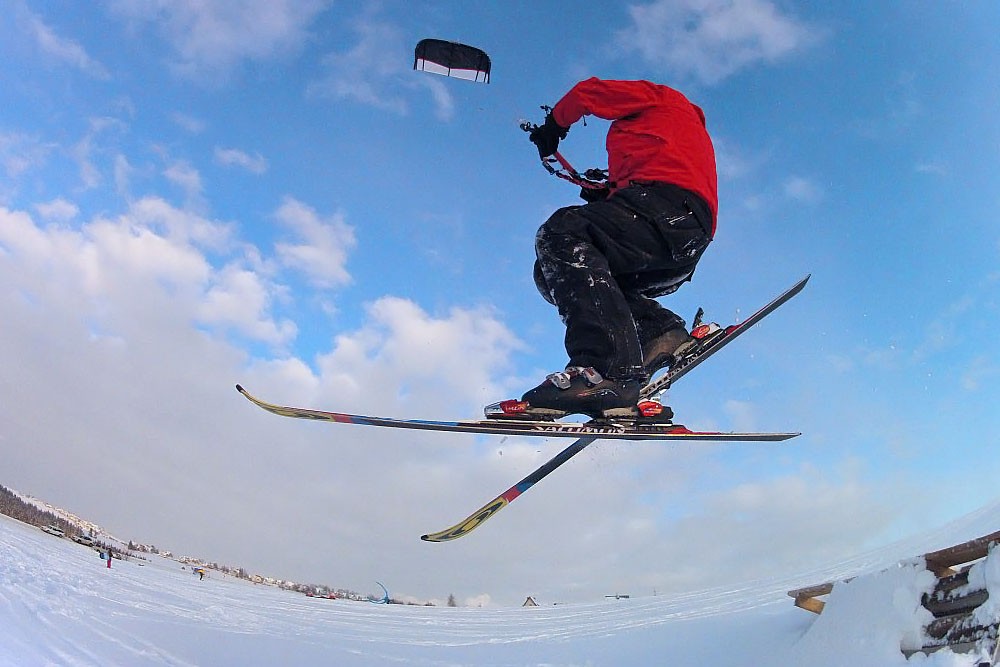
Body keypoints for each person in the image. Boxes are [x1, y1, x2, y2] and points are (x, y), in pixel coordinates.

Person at [517, 77, 718, 419]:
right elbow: (647, 175)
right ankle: (659, 331)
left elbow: (589, 92)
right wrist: (607, 192)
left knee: (561, 231)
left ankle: (606, 372)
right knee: (551, 273)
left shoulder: (661, 98)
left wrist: (554, 125)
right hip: (677, 242)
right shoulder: (666, 137)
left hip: (670, 212)